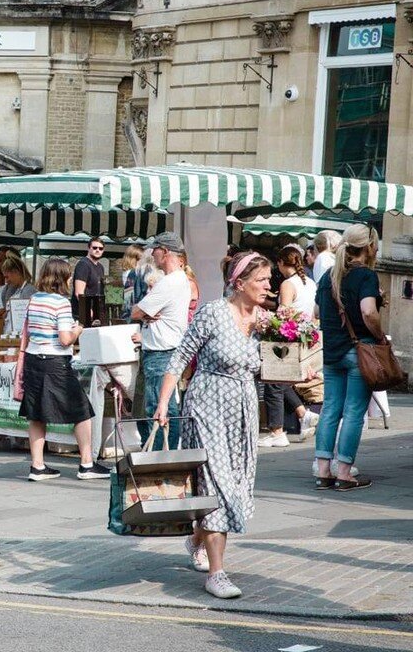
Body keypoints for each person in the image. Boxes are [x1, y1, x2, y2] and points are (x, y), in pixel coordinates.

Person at [154, 251, 272, 600]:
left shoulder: (264, 320)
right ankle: (217, 574)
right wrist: (163, 403)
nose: (269, 285)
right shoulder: (213, 313)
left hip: (243, 411)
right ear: (239, 283)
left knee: (233, 485)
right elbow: (179, 358)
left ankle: (196, 539)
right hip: (207, 405)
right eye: (261, 280)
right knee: (218, 485)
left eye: (268, 279)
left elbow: (269, 369)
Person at [19, 257, 110, 481]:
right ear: (62, 278)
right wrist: (78, 328)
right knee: (82, 410)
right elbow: (65, 340)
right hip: (55, 362)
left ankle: (37, 466)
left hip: (33, 358)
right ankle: (87, 464)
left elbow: (27, 332)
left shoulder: (34, 299)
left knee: (36, 413)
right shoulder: (60, 303)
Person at [314, 224, 384, 491]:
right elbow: (368, 312)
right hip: (359, 350)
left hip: (332, 351)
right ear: (368, 247)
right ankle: (344, 472)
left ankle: (323, 471)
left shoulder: (328, 276)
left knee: (330, 409)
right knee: (354, 411)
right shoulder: (366, 276)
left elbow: (318, 311)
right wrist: (379, 335)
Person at [130, 232, 191, 451]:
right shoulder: (180, 280)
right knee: (163, 407)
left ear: (164, 252)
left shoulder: (169, 282)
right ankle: (164, 456)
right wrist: (145, 312)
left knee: (160, 408)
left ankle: (160, 459)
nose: (151, 254)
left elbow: (136, 311)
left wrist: (143, 312)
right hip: (165, 349)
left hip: (160, 352)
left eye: (154, 250)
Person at [259, 244, 319, 448]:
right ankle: (303, 414)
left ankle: (278, 431)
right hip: (304, 336)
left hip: (286, 337)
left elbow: (283, 314)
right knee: (280, 381)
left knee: (273, 381)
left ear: (281, 263)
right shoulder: (310, 283)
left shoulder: (287, 284)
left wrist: (268, 323)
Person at [0, 253, 37, 334]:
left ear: (16, 272)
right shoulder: (16, 290)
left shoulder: (28, 291)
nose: (6, 281)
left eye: (7, 277)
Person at [71, 237, 106, 319]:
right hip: (82, 313)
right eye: (94, 248)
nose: (98, 250)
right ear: (89, 248)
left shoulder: (100, 267)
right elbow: (79, 293)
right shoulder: (83, 264)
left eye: (100, 248)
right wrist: (88, 310)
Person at [121, 244, 144, 322]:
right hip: (133, 308)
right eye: (140, 259)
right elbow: (129, 297)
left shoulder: (127, 272)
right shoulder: (131, 273)